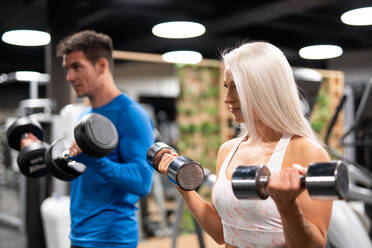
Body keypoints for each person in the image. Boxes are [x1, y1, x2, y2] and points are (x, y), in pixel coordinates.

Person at [158, 41, 332, 248]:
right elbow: (221, 233)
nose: (227, 98)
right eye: (226, 86)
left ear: (266, 89)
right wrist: (182, 184)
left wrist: (287, 205)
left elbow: (314, 245)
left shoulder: (311, 152)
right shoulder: (228, 150)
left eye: (237, 88)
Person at [54, 30, 154, 248]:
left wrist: (95, 160)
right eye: (67, 69)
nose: (69, 77)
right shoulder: (85, 114)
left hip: (112, 239)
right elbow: (89, 173)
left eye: (76, 67)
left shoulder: (132, 115)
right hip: (80, 234)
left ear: (101, 66)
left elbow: (142, 181)